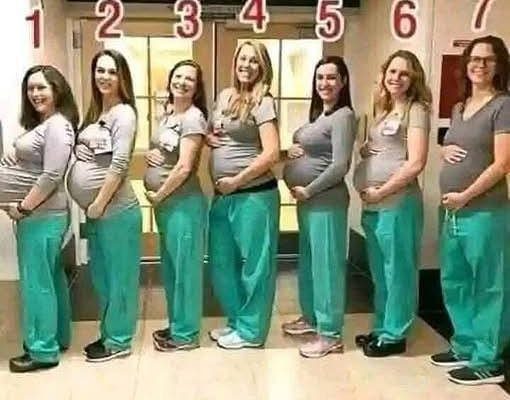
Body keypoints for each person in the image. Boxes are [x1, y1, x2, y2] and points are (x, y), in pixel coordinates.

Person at [430, 35, 510, 386]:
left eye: (488, 59)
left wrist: (465, 195)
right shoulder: (460, 106)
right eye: (475, 59)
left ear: (499, 65)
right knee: (455, 281)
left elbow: (503, 163)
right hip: (452, 212)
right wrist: (443, 150)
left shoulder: (503, 105)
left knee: (489, 285)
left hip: (484, 211)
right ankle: (464, 345)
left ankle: (489, 360)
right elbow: (454, 143)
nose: (480, 65)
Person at [352, 50, 431, 357]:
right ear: (384, 74)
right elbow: (383, 149)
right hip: (373, 207)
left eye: (404, 73)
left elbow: (416, 162)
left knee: (398, 272)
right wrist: (366, 153)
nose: (396, 77)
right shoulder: (383, 111)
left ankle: (396, 334)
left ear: (414, 79)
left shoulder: (416, 110)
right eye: (392, 71)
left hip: (397, 204)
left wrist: (381, 191)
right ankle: (383, 327)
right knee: (380, 272)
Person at [1, 65, 79, 372]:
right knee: (50, 278)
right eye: (31, 88)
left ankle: (42, 351)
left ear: (57, 90)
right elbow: (38, 163)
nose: (35, 93)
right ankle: (56, 338)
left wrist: (23, 207)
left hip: (41, 216)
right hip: (42, 216)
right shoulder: (46, 124)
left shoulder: (58, 125)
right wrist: (16, 153)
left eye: (42, 87)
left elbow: (51, 176)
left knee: (37, 284)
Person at [67, 49, 142, 362]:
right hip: (98, 214)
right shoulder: (97, 112)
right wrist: (78, 150)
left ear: (122, 77)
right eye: (100, 70)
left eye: (112, 71)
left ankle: (119, 341)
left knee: (120, 278)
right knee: (102, 278)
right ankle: (109, 333)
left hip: (116, 212)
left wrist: (98, 202)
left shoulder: (124, 114)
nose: (105, 77)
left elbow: (120, 164)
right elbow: (94, 152)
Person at [281, 56, 356, 358]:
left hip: (326, 202)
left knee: (327, 268)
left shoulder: (344, 116)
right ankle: (312, 317)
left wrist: (308, 189)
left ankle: (331, 333)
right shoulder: (320, 116)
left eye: (331, 77)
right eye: (320, 78)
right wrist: (290, 153)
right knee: (311, 264)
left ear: (343, 82)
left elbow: (340, 165)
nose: (325, 83)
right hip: (309, 204)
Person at [206, 40, 280, 349]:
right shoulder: (225, 95)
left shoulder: (264, 101)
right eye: (242, 58)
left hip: (254, 195)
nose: (246, 65)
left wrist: (236, 180)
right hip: (223, 197)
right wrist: (209, 137)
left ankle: (251, 332)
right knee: (223, 263)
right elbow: (217, 130)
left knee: (255, 266)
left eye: (253, 60)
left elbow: (272, 152)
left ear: (262, 67)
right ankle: (237, 320)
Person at [143, 60, 208, 351]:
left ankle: (186, 335)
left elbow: (184, 167)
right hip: (168, 206)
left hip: (183, 205)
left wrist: (159, 195)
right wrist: (151, 156)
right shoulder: (169, 114)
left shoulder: (193, 118)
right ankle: (177, 324)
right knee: (171, 269)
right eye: (178, 76)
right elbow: (164, 151)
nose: (182, 82)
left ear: (196, 88)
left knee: (186, 272)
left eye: (189, 79)